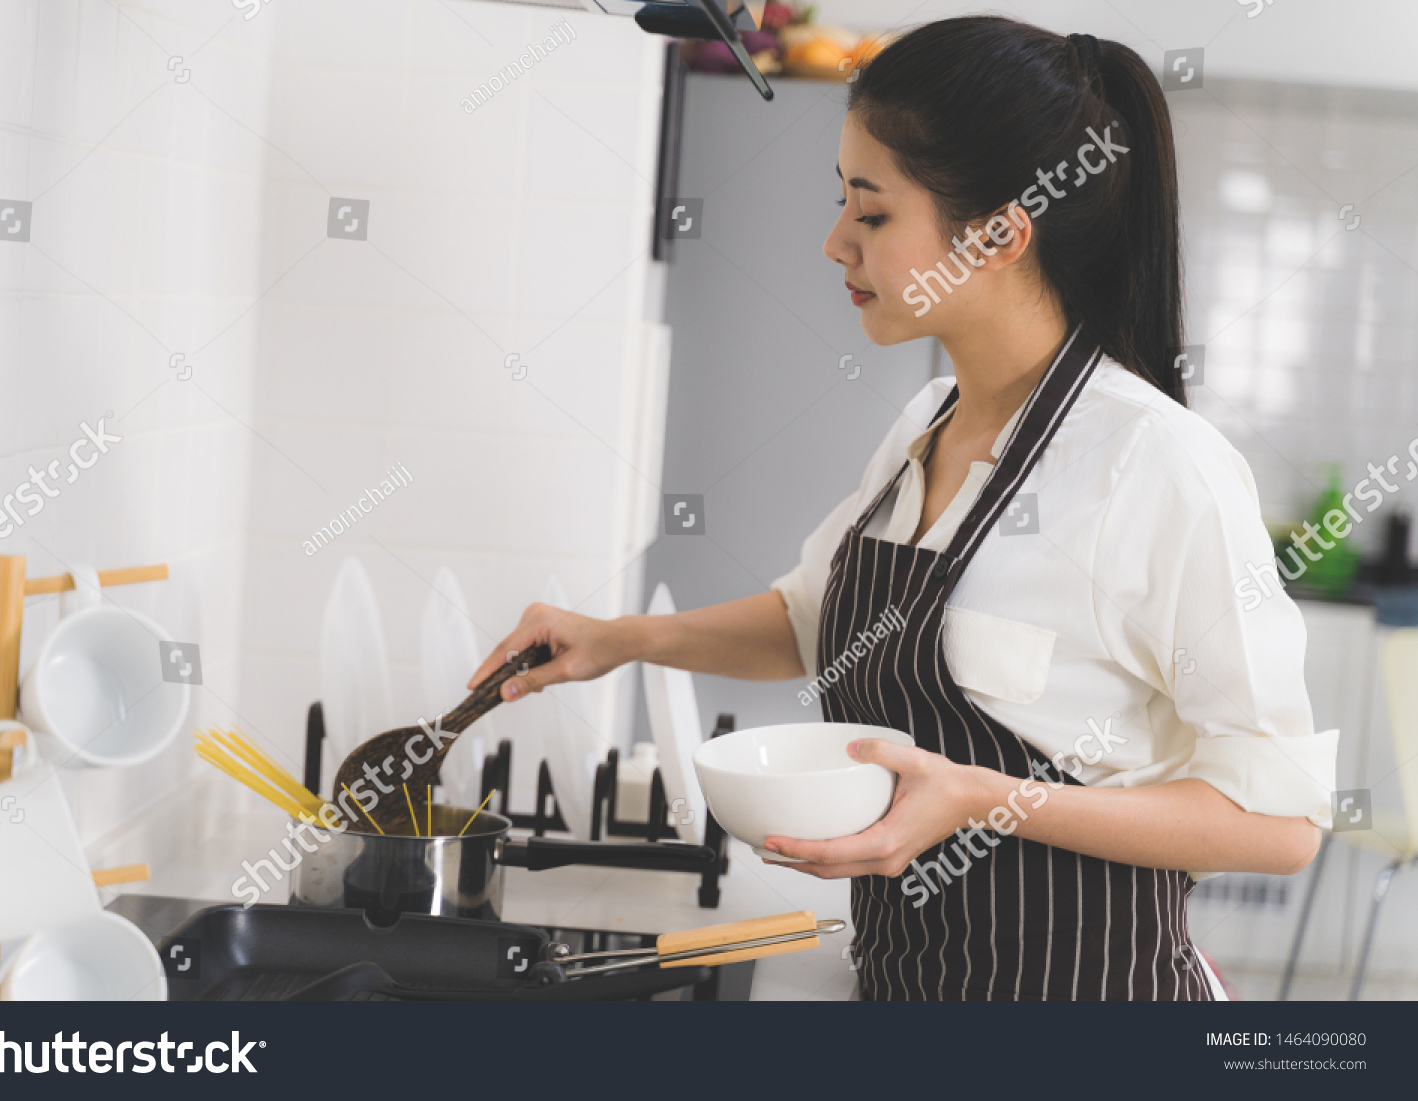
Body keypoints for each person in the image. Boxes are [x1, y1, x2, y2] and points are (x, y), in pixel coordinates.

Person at [468, 16, 1335, 1000]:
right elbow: (809, 622)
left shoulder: (1160, 467)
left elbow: (1281, 825)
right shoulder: (929, 422)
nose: (835, 242)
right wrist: (618, 638)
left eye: (872, 214)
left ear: (1004, 232)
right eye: (842, 202)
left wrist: (981, 800)